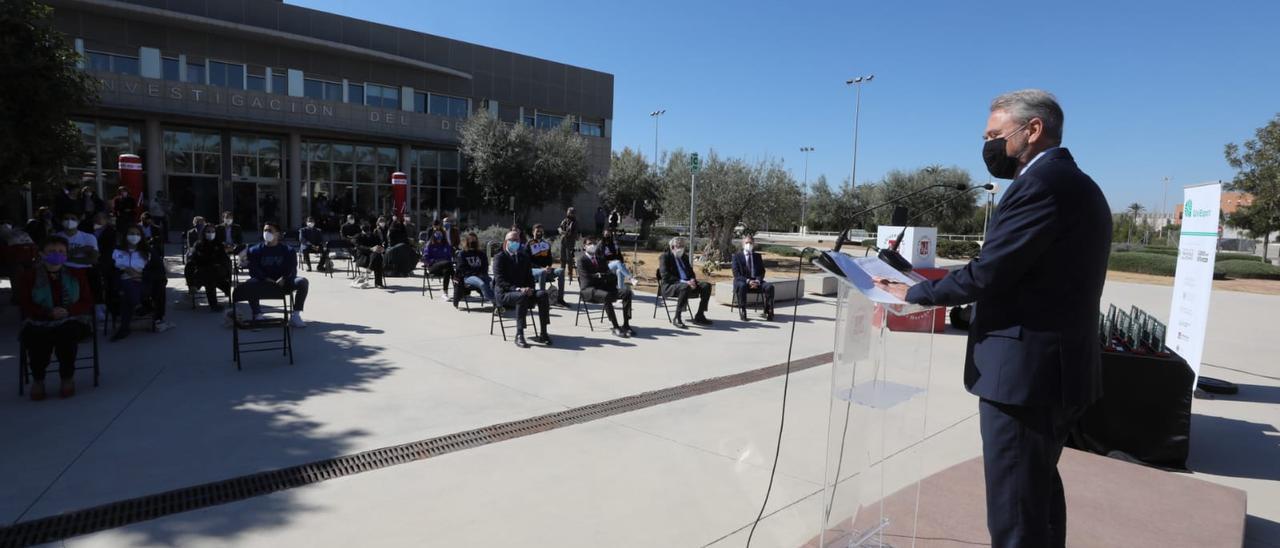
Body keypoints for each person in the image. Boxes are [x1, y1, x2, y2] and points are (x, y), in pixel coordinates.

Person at [875, 90, 1111, 548]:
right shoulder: (1077, 183)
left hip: (1026, 377)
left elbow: (991, 273)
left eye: (994, 135)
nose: (987, 145)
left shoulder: (1041, 185)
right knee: (1036, 495)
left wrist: (916, 293)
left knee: (1015, 513)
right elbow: (1023, 272)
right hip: (1055, 372)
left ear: (1033, 130)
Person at [18, 237, 93, 400]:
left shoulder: (76, 274)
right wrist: (47, 313)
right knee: (37, 336)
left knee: (67, 333)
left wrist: (68, 310)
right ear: (42, 254)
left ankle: (67, 377)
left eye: (61, 251)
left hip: (71, 318)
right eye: (52, 251)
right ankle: (38, 379)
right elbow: (25, 302)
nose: (57, 254)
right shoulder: (30, 276)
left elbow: (86, 301)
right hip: (40, 319)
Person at [235, 222, 308, 327]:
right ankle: (257, 314)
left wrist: (284, 278)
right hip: (263, 283)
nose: (266, 233)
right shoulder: (254, 250)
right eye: (265, 230)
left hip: (283, 284)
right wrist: (265, 278)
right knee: (250, 284)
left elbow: (292, 269)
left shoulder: (288, 250)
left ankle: (296, 315)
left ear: (277, 234)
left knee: (302, 282)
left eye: (270, 231)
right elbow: (253, 270)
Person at [110, 225, 174, 340]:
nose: (134, 237)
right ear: (125, 236)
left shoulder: (147, 252)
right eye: (131, 234)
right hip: (121, 282)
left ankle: (124, 328)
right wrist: (124, 272)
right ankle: (138, 306)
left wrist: (140, 275)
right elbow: (108, 270)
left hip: (142, 284)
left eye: (137, 234)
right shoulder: (117, 251)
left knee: (126, 295)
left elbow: (159, 271)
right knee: (126, 287)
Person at [493, 230, 551, 348]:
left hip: (523, 291)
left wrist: (530, 289)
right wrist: (519, 289)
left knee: (543, 294)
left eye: (517, 240)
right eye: (512, 240)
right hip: (505, 293)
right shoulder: (500, 257)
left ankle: (543, 333)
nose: (515, 242)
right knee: (522, 296)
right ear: (506, 242)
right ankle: (519, 334)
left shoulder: (524, 257)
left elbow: (529, 277)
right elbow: (500, 281)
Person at [577, 235, 635, 338]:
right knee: (606, 295)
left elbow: (610, 275)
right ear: (584, 246)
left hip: (603, 287)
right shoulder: (581, 260)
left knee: (627, 292)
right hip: (589, 290)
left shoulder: (600, 258)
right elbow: (588, 278)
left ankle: (626, 324)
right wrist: (602, 276)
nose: (593, 245)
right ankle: (615, 327)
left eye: (594, 243)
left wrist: (602, 276)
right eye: (589, 244)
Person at [658, 236, 712, 329]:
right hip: (671, 285)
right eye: (678, 246)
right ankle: (677, 317)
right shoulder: (665, 257)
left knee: (706, 286)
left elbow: (691, 272)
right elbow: (665, 276)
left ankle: (700, 314)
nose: (681, 248)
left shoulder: (684, 257)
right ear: (672, 247)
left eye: (682, 246)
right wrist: (685, 282)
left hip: (687, 284)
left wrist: (692, 280)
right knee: (684, 287)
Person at [187, 222, 232, 311]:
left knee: (210, 273)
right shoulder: (199, 244)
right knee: (207, 275)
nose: (210, 233)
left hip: (218, 270)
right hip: (204, 270)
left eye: (212, 231)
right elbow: (193, 260)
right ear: (204, 233)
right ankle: (213, 304)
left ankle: (196, 286)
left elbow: (224, 260)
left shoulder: (219, 245)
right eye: (208, 231)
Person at [731, 234, 774, 321]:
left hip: (756, 281)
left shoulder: (757, 256)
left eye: (750, 243)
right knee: (742, 286)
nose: (749, 245)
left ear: (753, 244)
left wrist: (758, 281)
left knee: (770, 287)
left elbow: (762, 271)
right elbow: (736, 274)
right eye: (747, 243)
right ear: (743, 244)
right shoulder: (737, 256)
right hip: (742, 281)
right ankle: (743, 310)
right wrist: (748, 281)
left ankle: (768, 309)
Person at [525, 224, 568, 307]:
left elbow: (549, 259)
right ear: (533, 232)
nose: (539, 233)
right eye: (537, 231)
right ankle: (543, 301)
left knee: (561, 271)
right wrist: (542, 268)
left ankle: (560, 299)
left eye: (541, 231)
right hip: (533, 270)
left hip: (546, 269)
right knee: (542, 272)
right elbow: (528, 262)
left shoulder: (546, 244)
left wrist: (548, 266)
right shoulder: (528, 245)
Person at [452, 232, 494, 307]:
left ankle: (499, 302)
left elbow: (485, 266)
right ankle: (496, 302)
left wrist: (481, 273)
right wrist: (474, 273)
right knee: (482, 284)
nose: (472, 242)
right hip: (468, 277)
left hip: (481, 275)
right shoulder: (463, 254)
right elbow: (462, 268)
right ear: (467, 241)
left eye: (474, 240)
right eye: (471, 240)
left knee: (492, 283)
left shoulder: (481, 253)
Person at [420, 229, 454, 298]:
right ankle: (460, 290)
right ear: (434, 238)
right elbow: (425, 259)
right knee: (449, 265)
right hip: (433, 267)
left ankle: (445, 293)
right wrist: (434, 261)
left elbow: (449, 257)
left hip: (445, 267)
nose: (439, 240)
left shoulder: (446, 245)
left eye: (440, 238)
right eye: (437, 238)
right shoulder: (429, 246)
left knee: (448, 270)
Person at [352, 222, 385, 289]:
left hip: (373, 257)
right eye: (366, 232)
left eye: (368, 231)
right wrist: (370, 249)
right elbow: (359, 247)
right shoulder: (357, 237)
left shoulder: (374, 236)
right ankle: (378, 283)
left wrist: (381, 248)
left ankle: (369, 269)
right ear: (362, 230)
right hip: (363, 257)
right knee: (377, 258)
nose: (368, 233)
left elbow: (379, 245)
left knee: (377, 255)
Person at [557, 207, 578, 273]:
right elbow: (559, 228)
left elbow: (573, 233)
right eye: (568, 212)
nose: (569, 214)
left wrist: (565, 233)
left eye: (571, 212)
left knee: (569, 258)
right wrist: (560, 231)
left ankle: (570, 273)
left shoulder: (575, 222)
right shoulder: (565, 220)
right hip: (563, 241)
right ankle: (561, 272)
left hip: (570, 241)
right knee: (562, 257)